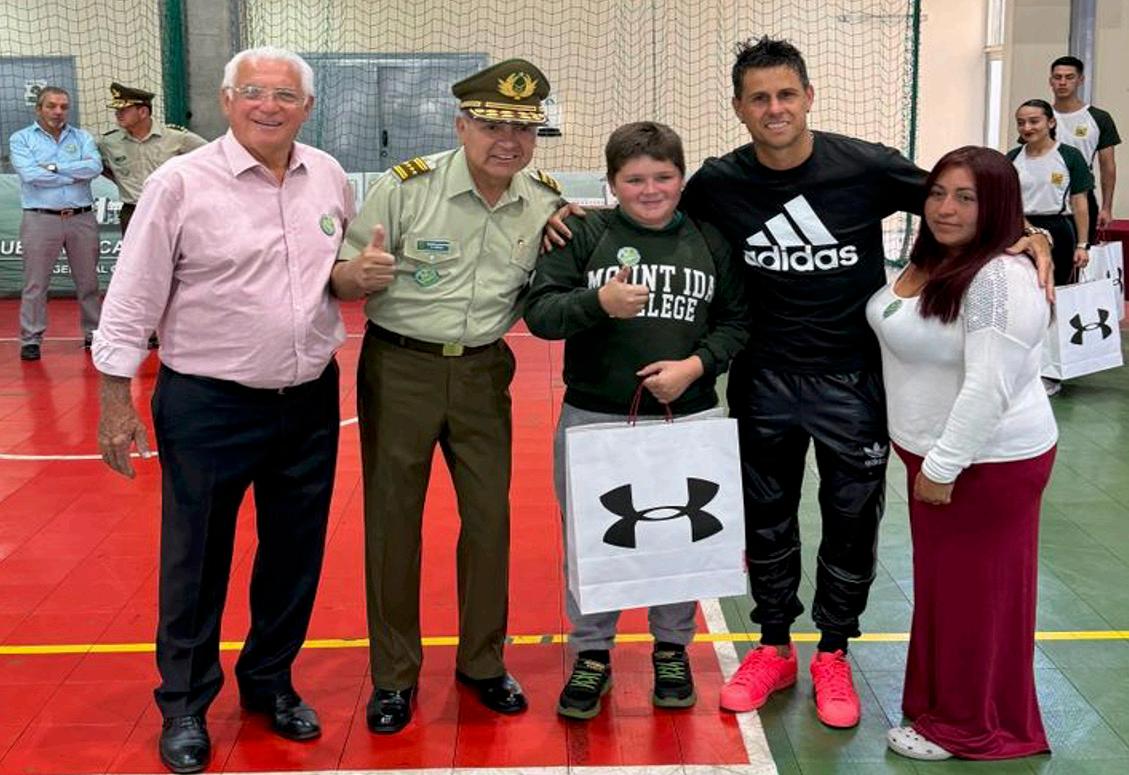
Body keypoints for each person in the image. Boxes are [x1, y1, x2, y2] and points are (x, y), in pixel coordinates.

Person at [673, 36, 1052, 729]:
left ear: (809, 97)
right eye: (759, 98)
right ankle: (772, 645)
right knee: (765, 518)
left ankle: (833, 652)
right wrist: (573, 221)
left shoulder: (865, 166)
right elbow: (654, 217)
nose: (774, 108)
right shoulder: (718, 182)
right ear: (738, 108)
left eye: (786, 94)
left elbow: (958, 202)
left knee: (850, 520)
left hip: (850, 380)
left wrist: (1031, 233)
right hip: (763, 378)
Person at [93, 46, 354, 774]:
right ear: (226, 100)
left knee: (294, 555)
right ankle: (183, 703)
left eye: (284, 95)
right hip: (208, 403)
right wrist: (116, 399)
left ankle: (269, 680)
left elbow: (337, 269)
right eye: (253, 92)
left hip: (308, 399)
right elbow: (133, 294)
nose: (268, 106)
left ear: (307, 107)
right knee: (196, 557)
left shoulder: (328, 175)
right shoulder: (180, 183)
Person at [334, 58, 565, 734]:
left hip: (483, 375)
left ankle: (482, 662)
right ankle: (394, 675)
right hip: (399, 368)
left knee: (489, 521)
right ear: (461, 126)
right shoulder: (406, 189)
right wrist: (355, 275)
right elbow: (341, 275)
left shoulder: (544, 202)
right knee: (393, 523)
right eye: (492, 126)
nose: (508, 142)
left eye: (522, 130)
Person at [523, 121, 748, 720]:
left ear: (682, 177)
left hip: (688, 416)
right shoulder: (581, 232)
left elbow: (737, 322)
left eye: (663, 177)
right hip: (594, 416)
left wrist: (695, 366)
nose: (650, 190)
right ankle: (592, 653)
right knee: (594, 537)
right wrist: (596, 303)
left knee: (682, 537)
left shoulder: (708, 239)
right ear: (611, 182)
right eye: (634, 179)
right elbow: (541, 314)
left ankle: (671, 649)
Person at [867, 145, 1056, 761]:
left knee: (975, 600)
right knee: (949, 593)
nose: (945, 209)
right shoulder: (939, 256)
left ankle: (973, 727)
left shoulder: (999, 278)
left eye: (966, 198)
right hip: (934, 455)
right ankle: (938, 703)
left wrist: (945, 465)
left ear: (995, 206)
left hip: (984, 463)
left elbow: (989, 387)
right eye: (938, 193)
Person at [97, 82, 207, 350]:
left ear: (143, 111)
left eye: (124, 110)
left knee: (184, 270)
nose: (118, 115)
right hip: (133, 211)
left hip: (174, 212)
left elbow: (210, 158)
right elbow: (100, 166)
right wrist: (125, 185)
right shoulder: (109, 142)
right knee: (139, 273)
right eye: (117, 111)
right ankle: (146, 331)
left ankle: (186, 327)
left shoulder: (176, 138)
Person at [9, 86, 102, 361]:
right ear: (39, 109)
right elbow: (30, 175)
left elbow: (94, 167)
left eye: (63, 106)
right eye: (51, 106)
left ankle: (94, 334)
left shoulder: (83, 137)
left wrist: (54, 167)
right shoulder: (21, 139)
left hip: (81, 218)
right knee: (35, 283)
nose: (58, 111)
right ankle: (31, 339)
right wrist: (74, 172)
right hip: (40, 218)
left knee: (89, 282)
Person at [1008, 98, 1092, 287]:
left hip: (1057, 229)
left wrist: (1082, 245)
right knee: (1023, 287)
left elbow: (1079, 202)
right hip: (1021, 228)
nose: (1027, 127)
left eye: (1034, 121)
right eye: (1021, 123)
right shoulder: (1012, 158)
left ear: (1051, 122)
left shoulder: (1070, 156)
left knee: (1056, 288)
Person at [1050, 55, 1120, 241]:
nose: (1062, 82)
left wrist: (1107, 207)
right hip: (1044, 194)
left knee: (1080, 252)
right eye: (1057, 77)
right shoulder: (1039, 117)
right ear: (1051, 81)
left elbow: (1107, 166)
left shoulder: (1099, 118)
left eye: (1069, 77)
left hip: (1080, 194)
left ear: (1080, 80)